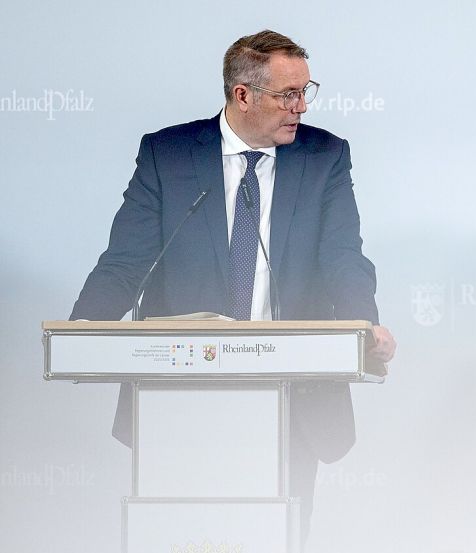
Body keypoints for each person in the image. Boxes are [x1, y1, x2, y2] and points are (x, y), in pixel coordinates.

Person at [69, 29, 395, 543]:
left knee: (277, 536)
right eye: (288, 94)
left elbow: (343, 256)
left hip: (292, 395)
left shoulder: (325, 156)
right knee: (182, 536)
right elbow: (126, 260)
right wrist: (83, 329)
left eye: (306, 92)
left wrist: (364, 324)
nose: (301, 108)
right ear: (242, 95)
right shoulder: (168, 154)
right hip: (179, 401)